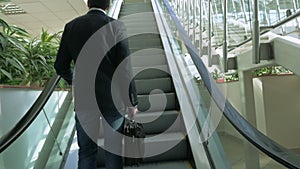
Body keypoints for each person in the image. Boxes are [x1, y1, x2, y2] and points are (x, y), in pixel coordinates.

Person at [54, 0, 138, 168]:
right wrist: (132, 102)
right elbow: (125, 69)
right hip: (113, 101)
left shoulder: (71, 27)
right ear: (107, 6)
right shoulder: (116, 26)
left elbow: (60, 65)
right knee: (113, 150)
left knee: (86, 151)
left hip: (85, 100)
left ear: (88, 4)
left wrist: (74, 81)